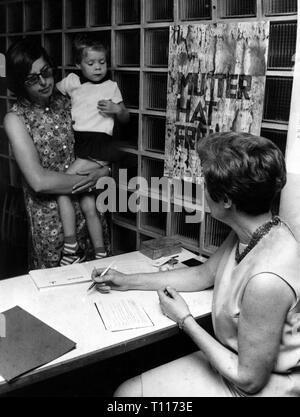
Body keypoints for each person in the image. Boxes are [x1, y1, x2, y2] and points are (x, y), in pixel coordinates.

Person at [93, 132, 300, 397]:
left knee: (127, 395)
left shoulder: (267, 279)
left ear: (226, 200)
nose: (201, 189)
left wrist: (184, 319)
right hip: (235, 361)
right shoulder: (257, 230)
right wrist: (127, 280)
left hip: (262, 387)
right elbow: (203, 275)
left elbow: (249, 380)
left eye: (205, 183)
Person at [3, 39, 111, 270]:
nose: (43, 82)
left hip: (90, 213)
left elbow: (99, 140)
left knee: (101, 283)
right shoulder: (16, 118)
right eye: (32, 79)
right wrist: (93, 178)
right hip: (52, 226)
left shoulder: (70, 100)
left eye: (46, 72)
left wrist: (105, 169)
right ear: (20, 83)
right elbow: (40, 181)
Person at [55, 33, 129, 265]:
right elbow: (54, 95)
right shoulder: (73, 82)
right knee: (88, 205)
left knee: (61, 187)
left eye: (102, 62)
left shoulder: (111, 86)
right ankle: (100, 254)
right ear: (78, 65)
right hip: (82, 145)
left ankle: (70, 247)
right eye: (91, 63)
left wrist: (117, 111)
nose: (98, 67)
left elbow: (126, 117)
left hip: (99, 147)